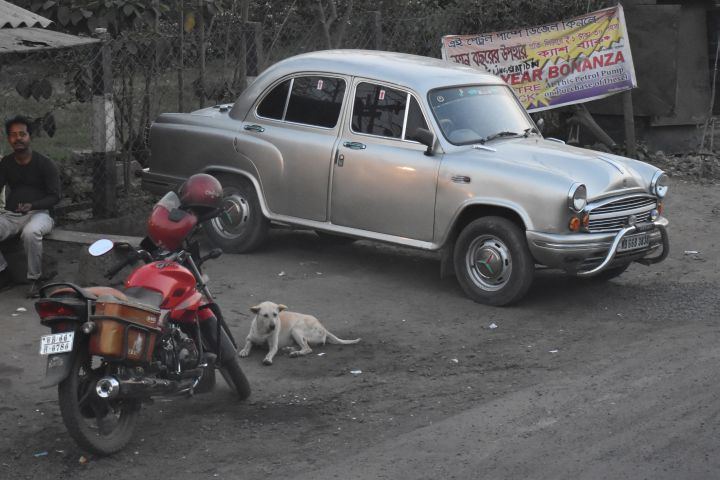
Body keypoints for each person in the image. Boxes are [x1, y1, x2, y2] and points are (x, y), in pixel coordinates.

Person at [0, 115, 61, 297]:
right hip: (12, 216)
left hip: (41, 214)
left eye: (22, 134)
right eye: (13, 135)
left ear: (29, 137)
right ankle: (3, 273)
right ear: (9, 139)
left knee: (30, 233)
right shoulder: (6, 163)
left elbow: (55, 196)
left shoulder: (45, 164)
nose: (18, 138)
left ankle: (35, 279)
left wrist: (32, 205)